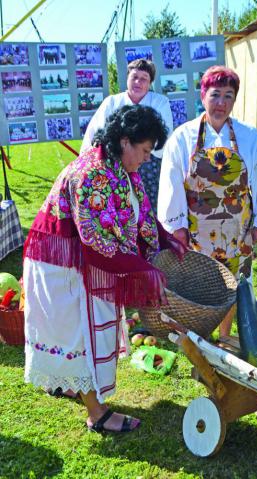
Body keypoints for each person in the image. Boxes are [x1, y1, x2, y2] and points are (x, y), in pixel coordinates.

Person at [23, 105, 184, 433]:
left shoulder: (122, 169)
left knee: (83, 331)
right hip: (59, 261)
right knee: (79, 333)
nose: (146, 158)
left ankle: (76, 386)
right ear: (125, 141)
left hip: (76, 258)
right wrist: (143, 269)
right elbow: (97, 244)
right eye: (144, 150)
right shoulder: (93, 173)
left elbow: (138, 215)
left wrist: (167, 240)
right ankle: (97, 414)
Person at [157, 65, 257, 337]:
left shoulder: (249, 137)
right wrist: (176, 226)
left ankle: (224, 335)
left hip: (238, 230)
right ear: (202, 97)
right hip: (197, 232)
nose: (221, 103)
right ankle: (201, 335)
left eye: (228, 96)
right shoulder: (183, 137)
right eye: (215, 95)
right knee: (201, 283)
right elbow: (171, 182)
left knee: (233, 283)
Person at [81, 59, 173, 214]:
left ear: (150, 83)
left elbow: (162, 138)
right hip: (114, 163)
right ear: (127, 79)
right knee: (116, 209)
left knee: (148, 210)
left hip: (148, 165)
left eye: (143, 79)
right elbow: (96, 134)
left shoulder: (160, 102)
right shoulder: (111, 102)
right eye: (134, 77)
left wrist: (138, 148)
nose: (138, 82)